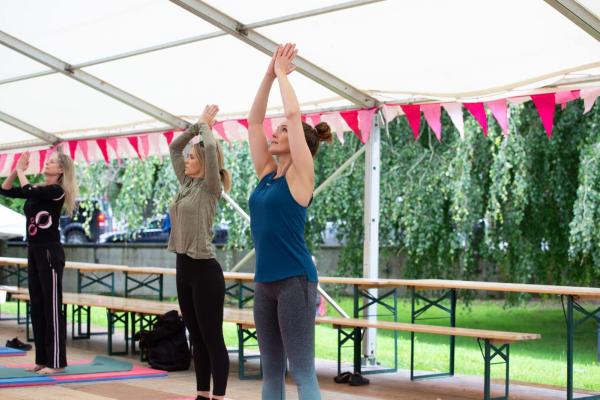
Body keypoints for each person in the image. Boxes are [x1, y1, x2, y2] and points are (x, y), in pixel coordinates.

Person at [248, 43, 333, 400]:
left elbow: (295, 115)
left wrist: (283, 74)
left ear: (299, 145)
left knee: (301, 371)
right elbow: (253, 121)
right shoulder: (267, 175)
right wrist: (267, 76)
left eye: (281, 131)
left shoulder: (301, 177)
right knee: (270, 373)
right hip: (264, 283)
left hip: (295, 283)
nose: (274, 132)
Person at [168, 105, 232, 400]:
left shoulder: (210, 187)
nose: (187, 159)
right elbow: (174, 146)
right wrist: (196, 125)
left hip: (205, 272)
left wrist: (206, 128)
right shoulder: (186, 184)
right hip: (184, 269)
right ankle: (202, 395)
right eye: (189, 157)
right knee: (196, 337)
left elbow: (209, 146)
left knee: (211, 338)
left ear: (204, 163)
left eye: (193, 158)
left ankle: (218, 396)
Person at [0, 150, 78, 374]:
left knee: (52, 307)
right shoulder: (38, 191)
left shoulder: (56, 191)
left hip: (49, 252)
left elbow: (28, 189)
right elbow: (4, 190)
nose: (47, 164)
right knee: (37, 306)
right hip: (33, 251)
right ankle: (42, 359)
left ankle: (57, 361)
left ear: (61, 170)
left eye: (51, 162)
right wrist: (16, 170)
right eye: (47, 160)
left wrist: (22, 172)